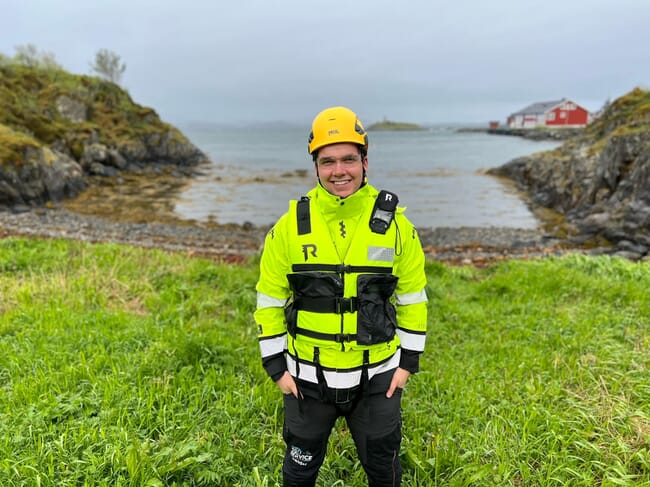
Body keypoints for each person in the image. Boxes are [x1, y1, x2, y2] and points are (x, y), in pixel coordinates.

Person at [254, 106, 428, 486]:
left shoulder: (398, 227)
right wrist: (276, 367)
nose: (339, 171)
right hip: (306, 379)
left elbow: (413, 299)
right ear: (315, 166)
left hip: (377, 377)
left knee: (384, 469)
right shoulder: (288, 228)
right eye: (328, 161)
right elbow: (268, 300)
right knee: (298, 472)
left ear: (365, 161)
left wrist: (408, 363)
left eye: (349, 158)